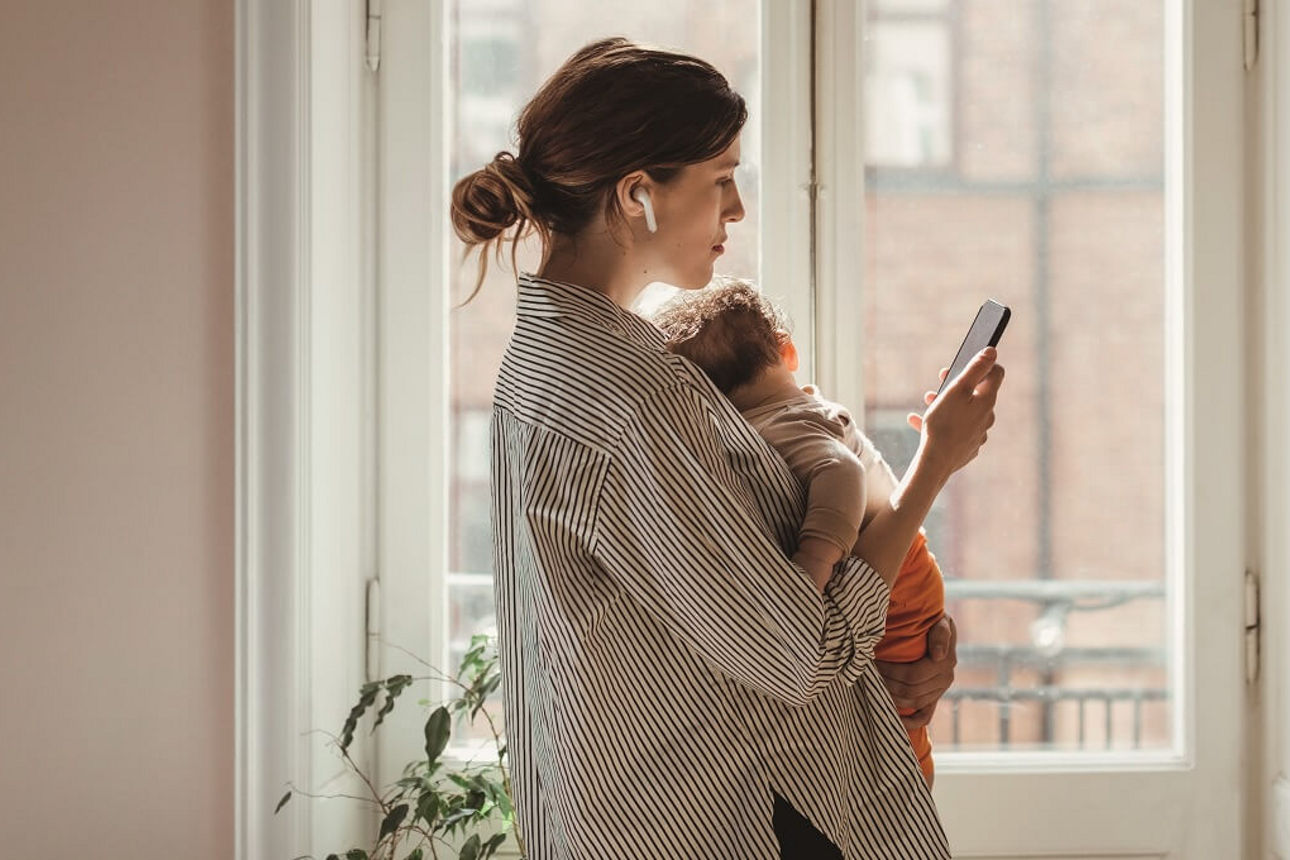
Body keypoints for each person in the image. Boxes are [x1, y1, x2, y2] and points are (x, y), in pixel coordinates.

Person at [451, 37, 1003, 859]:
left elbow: (722, 617)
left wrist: (895, 652)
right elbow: (803, 656)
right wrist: (936, 464)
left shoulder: (551, 358)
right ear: (638, 195)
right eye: (720, 180)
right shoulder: (633, 394)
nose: (736, 209)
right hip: (729, 824)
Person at [652, 279, 956, 788]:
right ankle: (911, 778)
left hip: (896, 575)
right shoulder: (799, 409)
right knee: (901, 701)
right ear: (787, 352)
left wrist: (815, 559)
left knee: (901, 709)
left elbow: (841, 470)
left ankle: (912, 780)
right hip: (903, 562)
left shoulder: (780, 424)